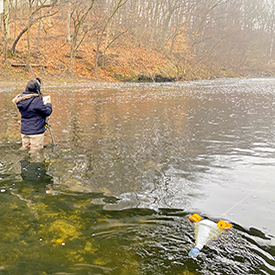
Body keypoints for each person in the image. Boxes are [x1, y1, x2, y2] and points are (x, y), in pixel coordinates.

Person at [12, 78, 52, 151]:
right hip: (36, 132)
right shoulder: (36, 100)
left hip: (24, 131)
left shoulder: (20, 99)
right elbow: (47, 112)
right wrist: (48, 103)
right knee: (35, 153)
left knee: (25, 148)